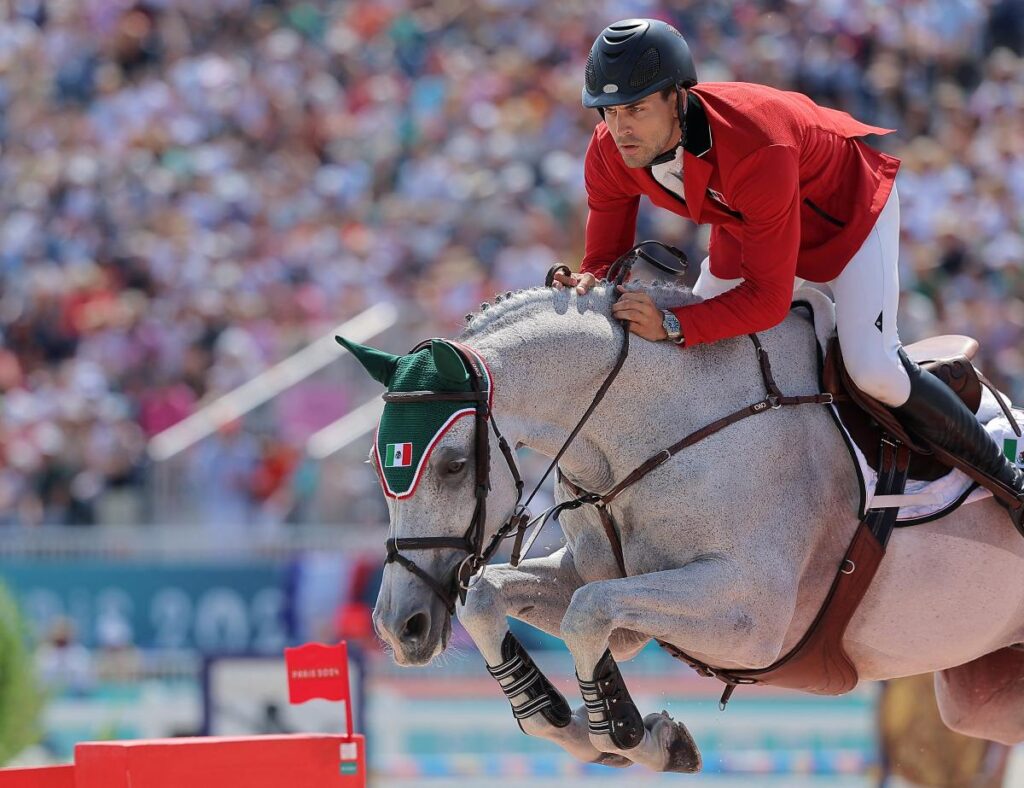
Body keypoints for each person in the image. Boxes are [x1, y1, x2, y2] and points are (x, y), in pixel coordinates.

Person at [552, 18, 1024, 534]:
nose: (620, 129)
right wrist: (587, 283)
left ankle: (1008, 470)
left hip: (845, 216)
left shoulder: (755, 143)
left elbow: (768, 301)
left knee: (872, 367)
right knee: (705, 361)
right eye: (610, 111)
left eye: (637, 109)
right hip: (749, 224)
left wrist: (670, 324)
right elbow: (604, 260)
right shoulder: (609, 150)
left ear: (677, 98)